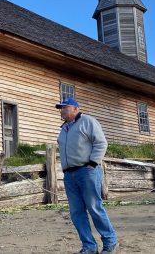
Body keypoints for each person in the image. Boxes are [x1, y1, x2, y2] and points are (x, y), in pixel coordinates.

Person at [55, 98, 119, 254]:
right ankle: (89, 246)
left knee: (94, 207)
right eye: (60, 108)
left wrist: (93, 163)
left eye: (65, 107)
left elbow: (101, 143)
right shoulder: (64, 129)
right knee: (76, 212)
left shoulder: (88, 121)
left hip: (87, 171)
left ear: (76, 108)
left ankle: (110, 242)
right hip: (70, 175)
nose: (62, 110)